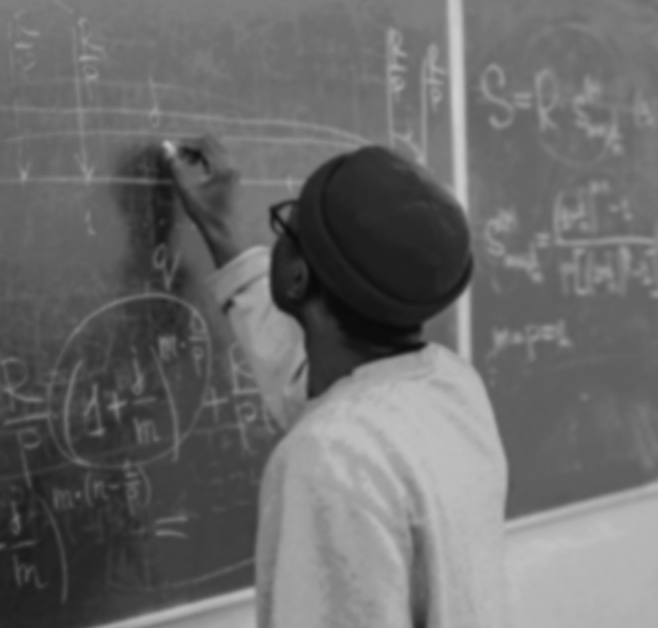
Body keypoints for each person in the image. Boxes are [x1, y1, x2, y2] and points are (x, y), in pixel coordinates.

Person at [164, 136, 509, 628]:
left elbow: (335, 435)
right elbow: (312, 390)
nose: (278, 237)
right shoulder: (453, 390)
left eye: (288, 225)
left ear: (297, 277)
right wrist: (218, 227)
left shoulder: (328, 458)